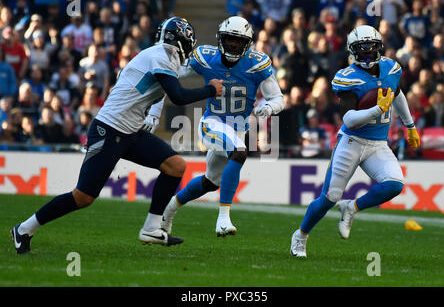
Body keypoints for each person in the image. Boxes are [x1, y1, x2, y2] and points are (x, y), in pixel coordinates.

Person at [11, 17, 224, 254]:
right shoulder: (161, 56)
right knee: (83, 197)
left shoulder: (161, 56)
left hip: (130, 131)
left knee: (175, 166)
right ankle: (23, 229)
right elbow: (178, 96)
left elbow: (167, 87)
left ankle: (152, 228)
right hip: (109, 130)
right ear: (182, 41)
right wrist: (210, 90)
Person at [290, 25, 421, 258]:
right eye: (363, 51)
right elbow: (349, 120)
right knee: (329, 198)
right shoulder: (348, 77)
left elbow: (397, 94)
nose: (368, 56)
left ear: (380, 48)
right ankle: (300, 235)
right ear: (353, 52)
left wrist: (409, 125)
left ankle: (352, 207)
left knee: (394, 185)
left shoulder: (391, 68)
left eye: (372, 50)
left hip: (378, 144)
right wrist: (375, 111)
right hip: (352, 141)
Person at [159, 16, 284, 237]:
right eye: (229, 39)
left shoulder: (257, 63)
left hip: (238, 129)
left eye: (238, 41)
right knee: (239, 153)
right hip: (212, 123)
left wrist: (270, 108)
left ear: (247, 43)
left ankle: (169, 209)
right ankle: (223, 219)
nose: (233, 45)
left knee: (210, 182)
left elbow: (278, 98)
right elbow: (170, 75)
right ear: (220, 38)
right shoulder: (206, 58)